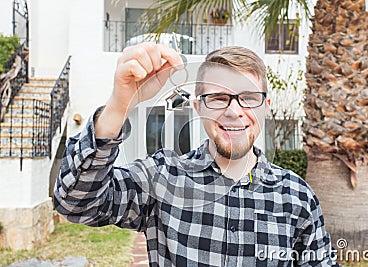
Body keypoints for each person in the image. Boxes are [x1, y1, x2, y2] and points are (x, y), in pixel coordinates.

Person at [54, 43, 339, 266]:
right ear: (198, 107)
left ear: (265, 105)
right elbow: (75, 203)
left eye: (248, 97)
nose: (234, 110)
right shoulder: (163, 178)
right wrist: (120, 103)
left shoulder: (297, 197)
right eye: (218, 97)